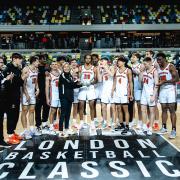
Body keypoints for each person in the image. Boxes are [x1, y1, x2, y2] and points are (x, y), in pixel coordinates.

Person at [4, 53, 29, 144]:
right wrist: (23, 77)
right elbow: (11, 83)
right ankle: (10, 135)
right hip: (9, 96)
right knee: (11, 115)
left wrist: (22, 78)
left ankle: (13, 132)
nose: (21, 61)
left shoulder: (18, 69)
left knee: (15, 115)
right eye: (20, 59)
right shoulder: (8, 68)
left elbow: (18, 83)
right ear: (14, 59)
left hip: (16, 95)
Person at [157, 52, 179, 138]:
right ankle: (164, 127)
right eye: (157, 59)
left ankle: (173, 130)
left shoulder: (170, 66)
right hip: (162, 89)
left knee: (172, 110)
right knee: (163, 109)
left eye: (160, 59)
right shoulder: (158, 67)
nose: (158, 61)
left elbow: (177, 78)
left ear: (164, 59)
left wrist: (165, 81)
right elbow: (159, 80)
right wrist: (158, 93)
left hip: (170, 89)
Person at [58, 63, 82, 137]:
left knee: (68, 114)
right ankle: (60, 131)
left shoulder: (70, 76)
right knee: (63, 114)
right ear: (63, 68)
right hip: (64, 97)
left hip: (70, 97)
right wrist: (76, 81)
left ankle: (66, 129)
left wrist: (79, 84)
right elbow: (69, 84)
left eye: (68, 67)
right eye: (65, 67)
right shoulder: (62, 76)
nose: (66, 68)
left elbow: (72, 86)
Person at [112, 56, 133, 134]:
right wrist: (112, 90)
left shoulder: (128, 70)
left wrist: (131, 93)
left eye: (120, 61)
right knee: (118, 109)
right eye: (118, 61)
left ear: (124, 62)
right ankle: (121, 124)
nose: (118, 62)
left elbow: (130, 83)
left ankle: (127, 126)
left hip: (124, 93)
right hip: (117, 93)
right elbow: (114, 81)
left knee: (125, 110)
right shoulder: (116, 70)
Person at [21, 56, 40, 139]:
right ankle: (25, 131)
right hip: (26, 93)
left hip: (32, 93)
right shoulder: (25, 69)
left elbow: (36, 81)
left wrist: (38, 89)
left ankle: (32, 129)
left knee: (32, 110)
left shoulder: (36, 70)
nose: (38, 63)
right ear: (33, 62)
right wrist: (26, 94)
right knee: (24, 111)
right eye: (37, 61)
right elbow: (23, 84)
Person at [139, 57, 159, 135]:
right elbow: (140, 80)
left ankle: (150, 128)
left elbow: (156, 84)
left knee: (152, 111)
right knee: (143, 110)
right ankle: (144, 126)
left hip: (151, 93)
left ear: (150, 63)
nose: (144, 65)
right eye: (143, 64)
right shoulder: (144, 71)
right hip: (144, 93)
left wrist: (154, 95)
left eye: (145, 64)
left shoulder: (154, 71)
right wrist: (141, 71)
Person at [78, 55, 98, 129]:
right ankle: (81, 122)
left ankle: (92, 122)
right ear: (84, 59)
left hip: (90, 88)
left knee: (92, 106)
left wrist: (91, 82)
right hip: (82, 88)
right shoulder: (81, 67)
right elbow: (78, 78)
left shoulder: (94, 68)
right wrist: (81, 82)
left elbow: (96, 80)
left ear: (91, 60)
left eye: (89, 58)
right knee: (81, 106)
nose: (88, 59)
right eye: (86, 58)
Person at [98, 56, 115, 130]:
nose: (101, 61)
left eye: (103, 60)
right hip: (104, 89)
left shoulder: (111, 67)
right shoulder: (102, 69)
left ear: (107, 61)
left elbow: (112, 75)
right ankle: (105, 122)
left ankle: (112, 121)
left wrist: (105, 68)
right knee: (103, 106)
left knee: (112, 107)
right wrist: (99, 70)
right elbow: (99, 80)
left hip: (111, 89)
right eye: (101, 60)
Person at [35, 54, 50, 133]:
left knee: (46, 108)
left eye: (45, 59)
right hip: (38, 92)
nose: (45, 60)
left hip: (46, 92)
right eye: (43, 59)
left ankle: (44, 123)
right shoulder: (36, 69)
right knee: (37, 109)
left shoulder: (48, 68)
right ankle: (38, 125)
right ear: (39, 60)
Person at [145, 50, 160, 130]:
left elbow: (158, 74)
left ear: (152, 55)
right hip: (147, 86)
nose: (146, 55)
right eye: (145, 54)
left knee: (154, 106)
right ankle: (150, 120)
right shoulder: (145, 63)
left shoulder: (156, 63)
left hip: (154, 86)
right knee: (148, 106)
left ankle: (156, 122)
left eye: (147, 54)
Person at [46, 61, 61, 135]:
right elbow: (47, 88)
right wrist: (47, 98)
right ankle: (51, 127)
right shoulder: (49, 75)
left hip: (61, 95)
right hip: (53, 95)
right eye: (53, 64)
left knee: (60, 111)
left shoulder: (61, 72)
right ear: (51, 66)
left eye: (56, 64)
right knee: (53, 111)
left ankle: (58, 124)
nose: (55, 65)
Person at [0, 56, 12, 148]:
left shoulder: (1, 72)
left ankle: (1, 140)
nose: (1, 64)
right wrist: (6, 79)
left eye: (2, 62)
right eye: (0, 62)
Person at [130, 53, 143, 129]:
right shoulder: (130, 66)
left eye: (133, 57)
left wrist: (133, 70)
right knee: (131, 105)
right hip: (131, 88)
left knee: (139, 105)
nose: (132, 58)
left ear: (137, 58)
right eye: (131, 57)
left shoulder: (141, 65)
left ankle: (140, 121)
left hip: (138, 87)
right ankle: (133, 120)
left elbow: (140, 74)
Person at [70, 59, 80, 129]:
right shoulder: (67, 70)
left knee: (75, 107)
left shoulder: (79, 71)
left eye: (75, 62)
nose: (74, 63)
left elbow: (80, 81)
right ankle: (66, 122)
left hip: (76, 90)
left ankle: (74, 122)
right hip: (69, 91)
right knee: (68, 107)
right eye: (72, 62)